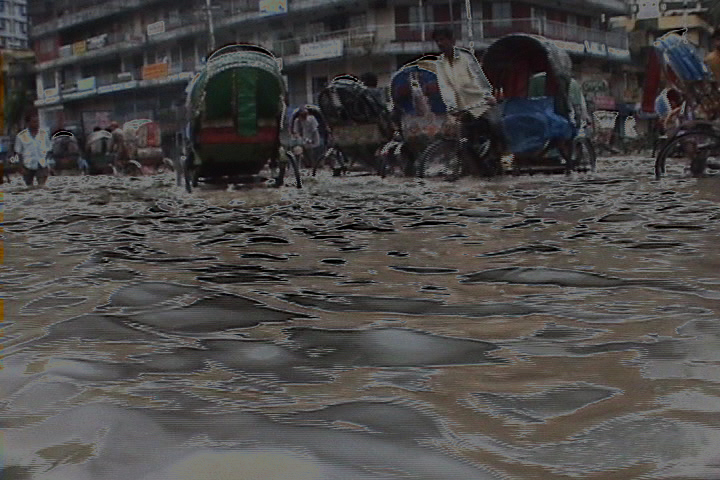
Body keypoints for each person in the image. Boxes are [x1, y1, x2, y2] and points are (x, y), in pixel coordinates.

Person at [431, 27, 508, 174]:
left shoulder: (465, 56)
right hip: (462, 106)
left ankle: (500, 156)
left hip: (479, 101)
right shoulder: (440, 63)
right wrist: (451, 106)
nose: (440, 43)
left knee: (496, 126)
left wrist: (487, 95)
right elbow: (445, 86)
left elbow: (477, 75)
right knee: (465, 140)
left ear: (452, 40)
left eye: (443, 39)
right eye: (437, 41)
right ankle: (475, 169)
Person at [14, 111, 52, 187]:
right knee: (29, 187)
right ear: (28, 123)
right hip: (28, 165)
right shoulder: (21, 136)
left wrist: (47, 164)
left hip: (41, 164)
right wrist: (21, 167)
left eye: (38, 122)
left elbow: (48, 149)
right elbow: (19, 153)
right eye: (34, 122)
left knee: (42, 187)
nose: (37, 124)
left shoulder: (44, 134)